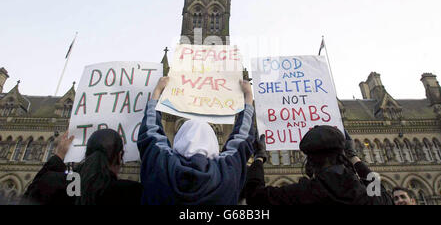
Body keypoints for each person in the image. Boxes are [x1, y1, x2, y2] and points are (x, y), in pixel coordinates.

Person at [138, 77, 255, 205]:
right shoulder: (227, 173)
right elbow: (242, 138)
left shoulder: (161, 166)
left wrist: (157, 92)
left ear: (179, 139)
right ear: (213, 143)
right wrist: (248, 96)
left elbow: (150, 131)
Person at [245, 126, 394, 205]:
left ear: (310, 162)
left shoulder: (302, 193)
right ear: (342, 155)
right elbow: (378, 187)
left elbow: (254, 196)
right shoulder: (369, 197)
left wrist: (259, 158)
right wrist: (354, 157)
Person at [21, 129, 142, 205]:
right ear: (119, 157)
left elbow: (28, 197)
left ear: (87, 153)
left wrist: (59, 155)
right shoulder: (130, 193)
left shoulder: (51, 183)